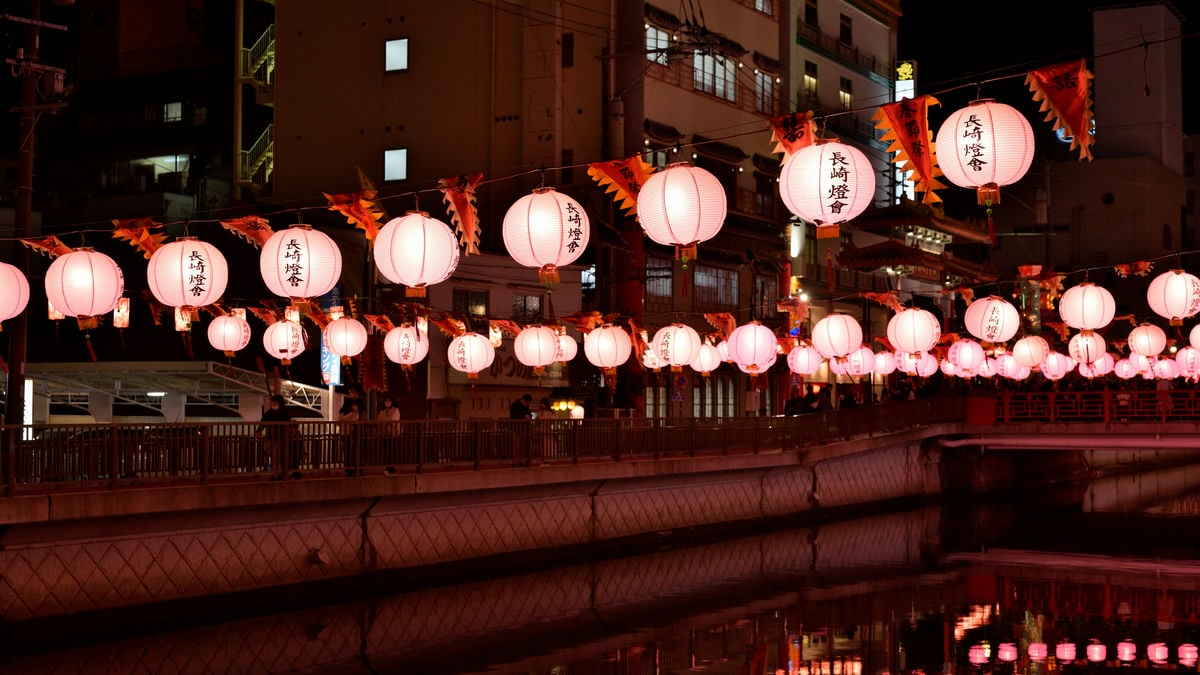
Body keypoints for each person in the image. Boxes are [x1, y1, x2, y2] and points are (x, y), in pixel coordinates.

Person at [259, 395, 293, 473]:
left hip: (279, 438)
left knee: (276, 456)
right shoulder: (270, 413)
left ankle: (276, 473)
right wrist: (259, 430)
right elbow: (263, 423)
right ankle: (275, 472)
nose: (273, 403)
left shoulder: (284, 413)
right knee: (270, 455)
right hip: (270, 437)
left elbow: (287, 423)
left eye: (275, 401)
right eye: (273, 401)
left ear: (280, 403)